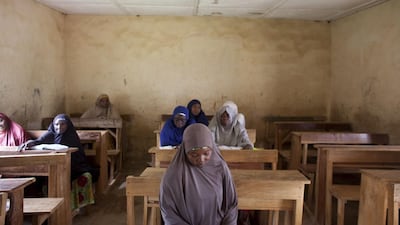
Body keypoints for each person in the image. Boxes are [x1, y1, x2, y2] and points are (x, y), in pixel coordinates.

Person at [160, 123, 238, 225]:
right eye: (194, 155)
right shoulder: (175, 174)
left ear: (212, 148)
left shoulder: (220, 167)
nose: (201, 159)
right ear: (185, 151)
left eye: (206, 153)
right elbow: (169, 212)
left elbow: (231, 205)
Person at [19, 114, 99, 210]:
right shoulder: (51, 133)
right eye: (56, 124)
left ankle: (69, 206)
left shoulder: (71, 136)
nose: (59, 127)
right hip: (55, 165)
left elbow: (78, 157)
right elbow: (39, 141)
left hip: (75, 166)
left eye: (63, 124)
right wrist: (30, 143)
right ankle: (48, 206)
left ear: (68, 125)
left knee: (74, 174)